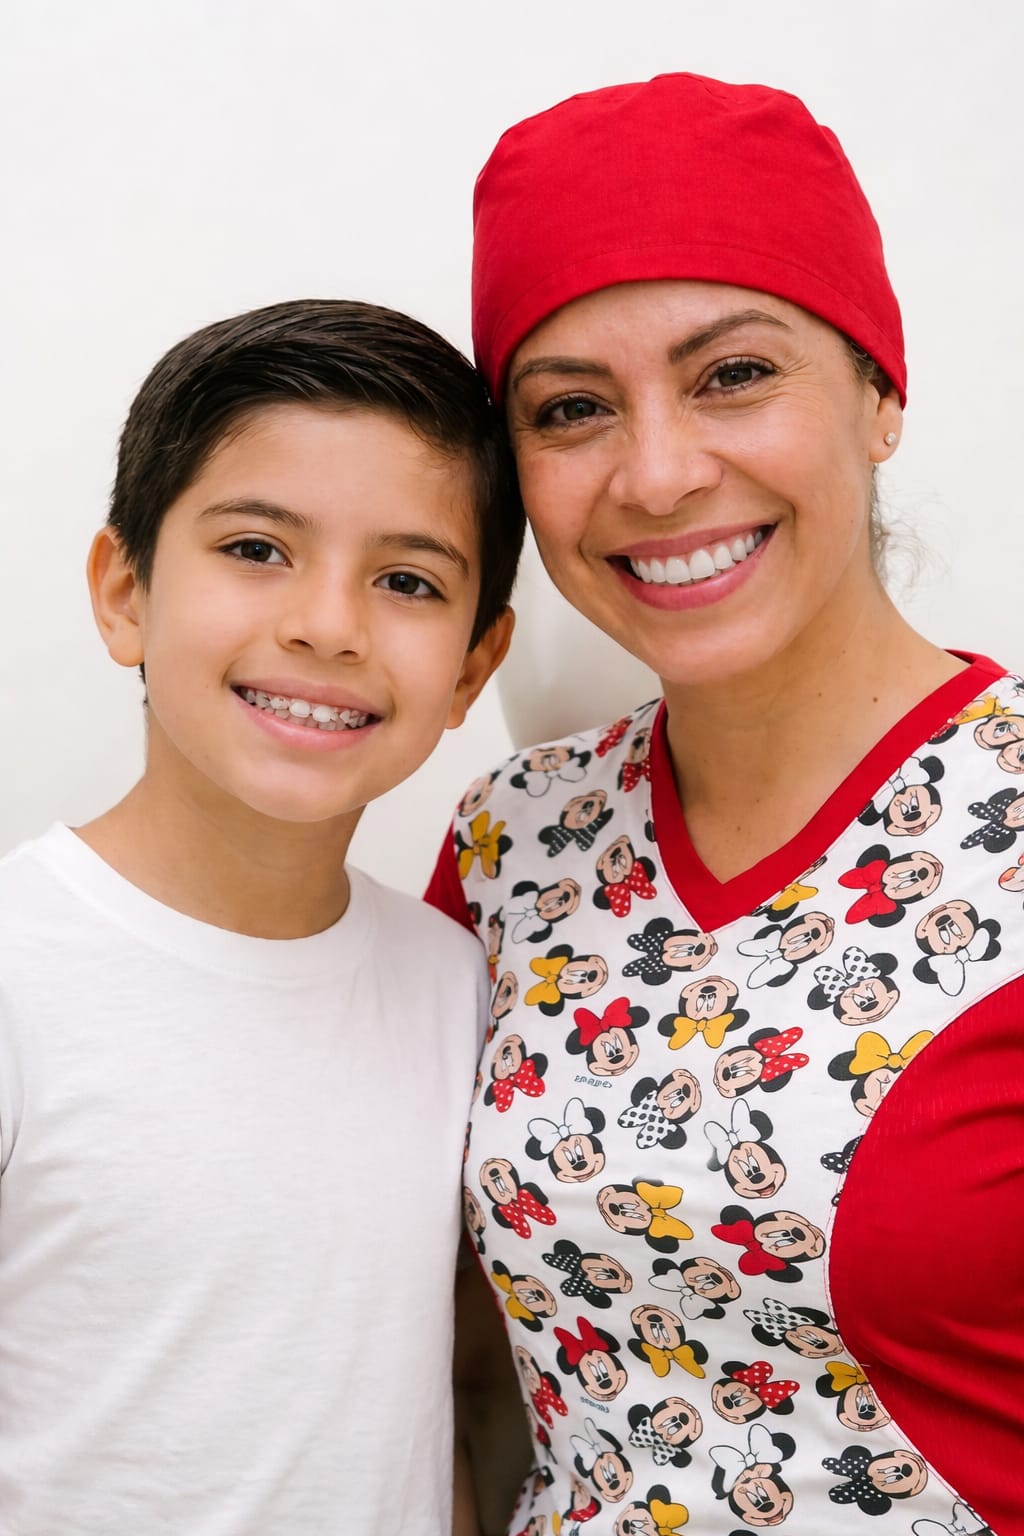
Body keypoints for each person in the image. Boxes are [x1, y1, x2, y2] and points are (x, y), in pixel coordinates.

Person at [430, 75, 1024, 1536]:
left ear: (880, 393)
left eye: (734, 374)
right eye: (571, 409)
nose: (660, 471)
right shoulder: (515, 844)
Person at [0, 298, 524, 1534]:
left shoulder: (458, 986)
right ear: (125, 589)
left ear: (471, 666)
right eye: (256, 549)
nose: (326, 627)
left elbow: (416, 1413)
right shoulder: (20, 970)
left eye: (405, 579)